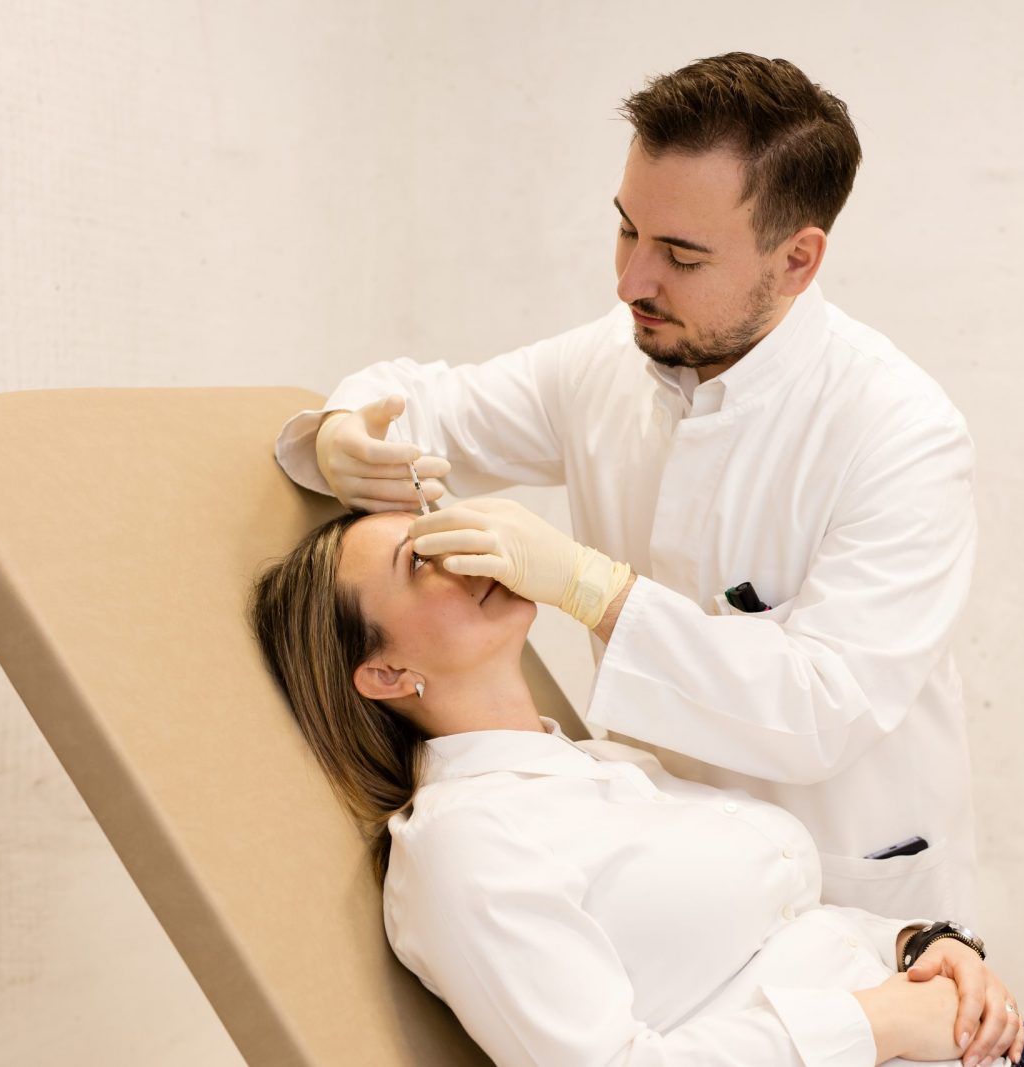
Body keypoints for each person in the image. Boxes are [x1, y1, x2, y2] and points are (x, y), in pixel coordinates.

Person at [275, 52, 980, 927]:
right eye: (626, 230)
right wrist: (341, 436)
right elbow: (421, 402)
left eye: (681, 255)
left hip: (850, 881)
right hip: (664, 875)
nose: (630, 282)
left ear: (797, 260)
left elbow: (820, 708)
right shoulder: (608, 360)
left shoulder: (899, 431)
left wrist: (592, 589)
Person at [247, 511, 1024, 1067]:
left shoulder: (594, 764)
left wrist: (924, 947)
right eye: (422, 561)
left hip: (971, 1037)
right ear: (384, 673)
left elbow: (777, 925)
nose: (474, 551)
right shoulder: (463, 847)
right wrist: (877, 1018)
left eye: (449, 529)